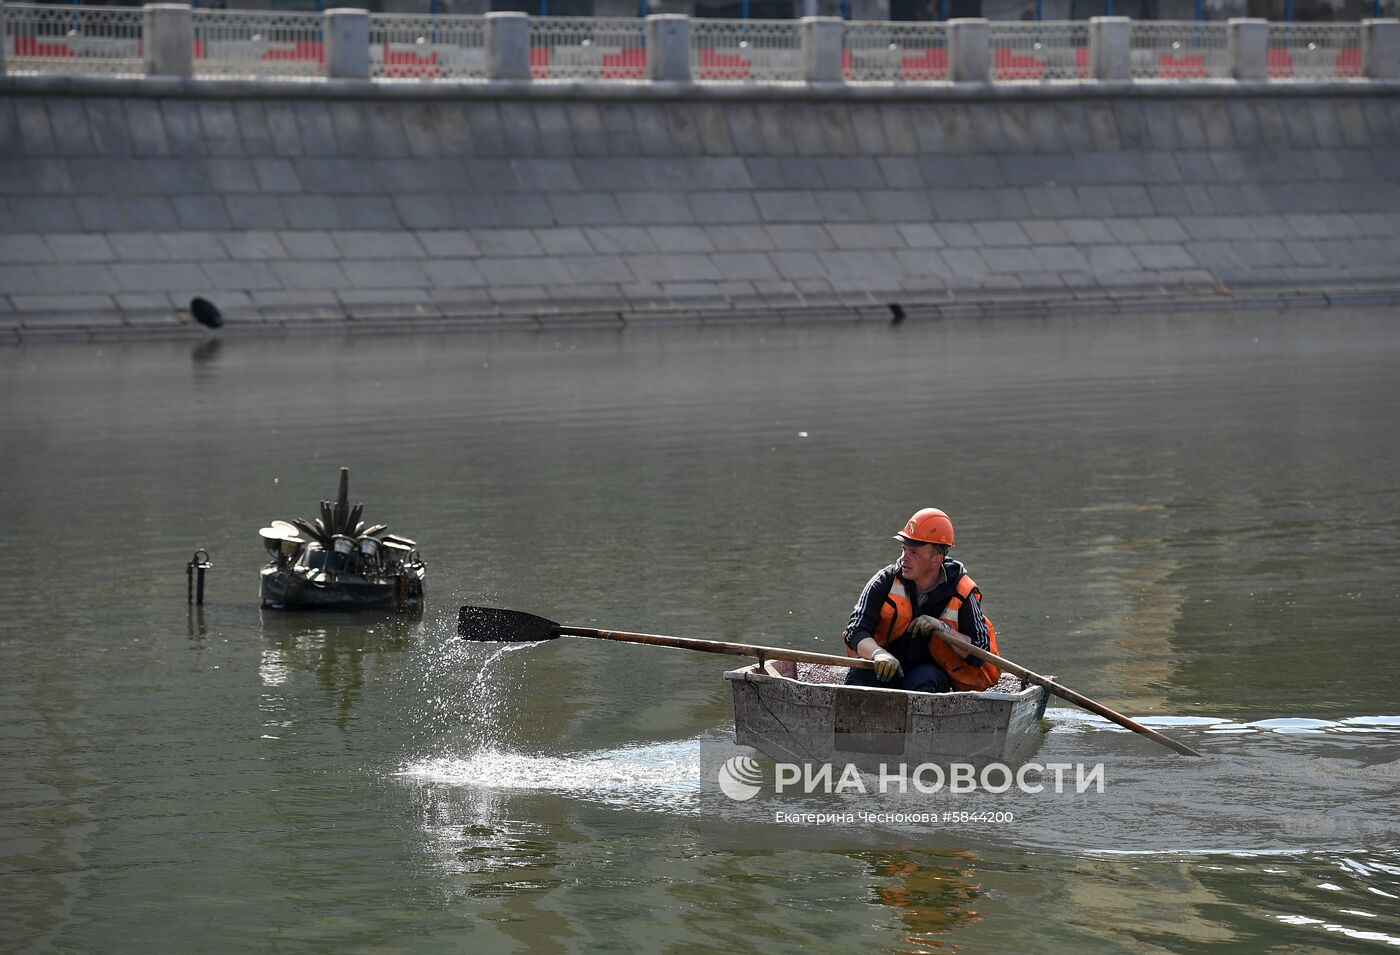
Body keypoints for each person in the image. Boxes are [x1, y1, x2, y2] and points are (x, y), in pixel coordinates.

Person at [841, 508, 1000, 693]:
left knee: (926, 681)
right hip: (883, 666)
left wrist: (943, 628)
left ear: (937, 559)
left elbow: (980, 653)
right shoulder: (885, 580)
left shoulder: (962, 592)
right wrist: (879, 654)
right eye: (904, 549)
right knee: (859, 675)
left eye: (914, 552)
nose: (904, 558)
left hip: (927, 673)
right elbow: (855, 630)